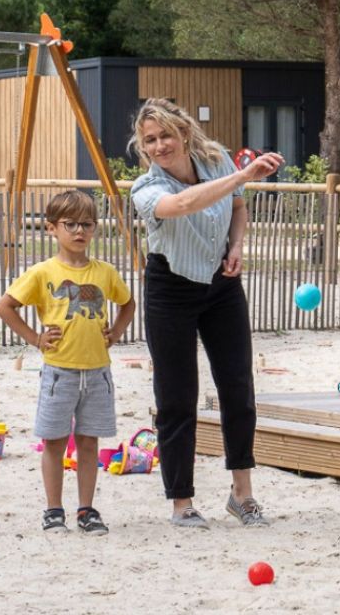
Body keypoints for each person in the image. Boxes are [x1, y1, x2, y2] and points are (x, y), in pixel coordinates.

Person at [129, 98, 285, 528]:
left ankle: (242, 494)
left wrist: (236, 246)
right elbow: (183, 205)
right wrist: (243, 175)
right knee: (177, 395)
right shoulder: (146, 188)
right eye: (150, 140)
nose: (159, 146)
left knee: (238, 385)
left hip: (221, 283)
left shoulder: (215, 160)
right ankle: (182, 502)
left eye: (165, 135)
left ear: (183, 133)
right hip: (170, 287)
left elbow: (236, 206)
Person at [0, 189, 135, 534]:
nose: (79, 231)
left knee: (88, 442)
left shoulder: (105, 272)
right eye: (70, 224)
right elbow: (5, 306)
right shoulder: (42, 273)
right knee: (55, 442)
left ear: (95, 228)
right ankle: (53, 509)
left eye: (86, 224)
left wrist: (116, 332)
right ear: (51, 228)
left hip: (98, 373)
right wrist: (36, 339)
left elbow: (127, 303)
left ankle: (86, 509)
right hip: (59, 372)